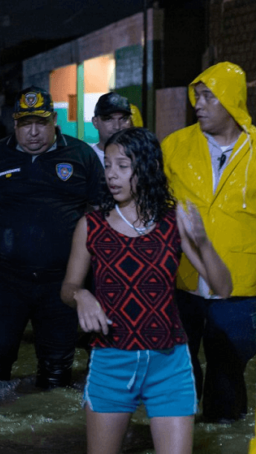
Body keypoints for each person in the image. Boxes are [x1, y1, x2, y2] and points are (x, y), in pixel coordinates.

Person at [61, 127, 232, 454]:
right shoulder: (91, 226)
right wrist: (81, 295)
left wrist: (204, 241)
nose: (112, 174)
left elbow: (223, 288)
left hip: (169, 364)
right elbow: (68, 286)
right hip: (111, 362)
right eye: (108, 165)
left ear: (148, 167)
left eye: (122, 166)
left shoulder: (173, 222)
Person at [0, 86, 104, 388]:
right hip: (3, 281)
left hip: (61, 283)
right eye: (25, 124)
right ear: (14, 124)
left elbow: (99, 213)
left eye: (40, 123)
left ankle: (48, 431)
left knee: (56, 371)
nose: (33, 132)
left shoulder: (81, 155)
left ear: (54, 120)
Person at [161, 61, 256, 423]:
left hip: (241, 285)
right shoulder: (175, 145)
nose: (198, 104)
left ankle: (222, 429)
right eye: (196, 96)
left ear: (231, 100)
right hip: (181, 279)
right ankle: (182, 435)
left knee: (227, 375)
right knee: (177, 369)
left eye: (208, 97)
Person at [90, 92, 133, 166]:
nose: (117, 126)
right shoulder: (87, 157)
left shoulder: (140, 156)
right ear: (95, 122)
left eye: (123, 119)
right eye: (108, 119)